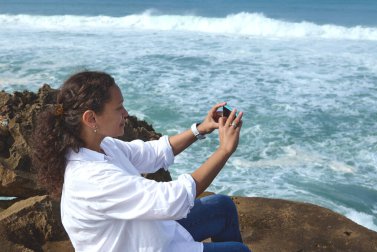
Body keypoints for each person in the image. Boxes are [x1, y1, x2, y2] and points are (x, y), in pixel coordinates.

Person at [32, 71, 250, 252]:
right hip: (147, 246)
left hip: (152, 235)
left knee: (222, 206)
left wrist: (199, 129)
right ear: (91, 118)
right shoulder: (91, 178)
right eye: (119, 108)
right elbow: (174, 199)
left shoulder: (102, 146)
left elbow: (152, 152)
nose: (126, 113)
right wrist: (224, 150)